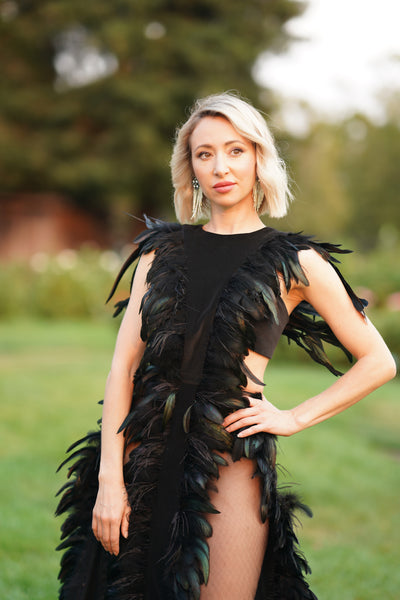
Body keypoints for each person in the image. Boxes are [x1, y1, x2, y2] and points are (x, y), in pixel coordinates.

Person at [56, 92, 396, 600]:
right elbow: (122, 368)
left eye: (236, 150)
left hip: (229, 455)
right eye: (205, 153)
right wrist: (110, 479)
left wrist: (294, 417)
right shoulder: (160, 253)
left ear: (259, 159)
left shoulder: (296, 261)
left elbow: (378, 361)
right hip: (144, 448)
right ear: (190, 167)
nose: (221, 167)